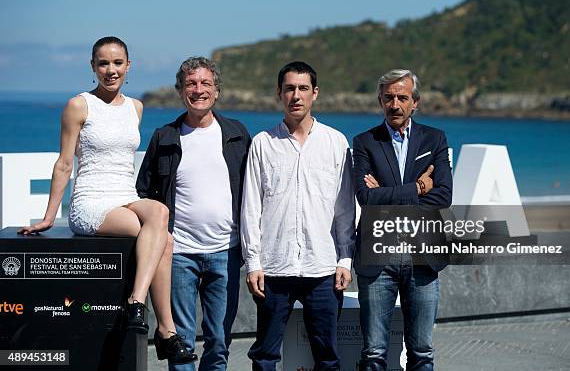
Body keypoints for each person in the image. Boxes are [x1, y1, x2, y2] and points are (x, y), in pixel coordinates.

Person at [19, 36, 197, 365]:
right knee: (165, 240)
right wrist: (49, 216)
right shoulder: (79, 105)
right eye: (103, 63)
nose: (110, 70)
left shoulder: (136, 107)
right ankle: (165, 331)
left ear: (128, 66)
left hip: (125, 196)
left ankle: (137, 303)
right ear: (92, 67)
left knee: (159, 211)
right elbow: (64, 163)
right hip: (91, 202)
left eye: (117, 63)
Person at [136, 56, 251, 371]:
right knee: (181, 340)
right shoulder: (165, 136)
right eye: (191, 83)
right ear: (180, 90)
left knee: (219, 339)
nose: (198, 90)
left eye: (205, 83)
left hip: (226, 252)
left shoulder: (237, 133)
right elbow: (144, 190)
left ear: (216, 91)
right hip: (180, 255)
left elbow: (254, 189)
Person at [241, 61, 356, 370]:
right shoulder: (263, 144)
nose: (296, 95)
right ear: (279, 93)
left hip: (323, 268)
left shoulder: (336, 143)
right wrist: (253, 263)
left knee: (327, 355)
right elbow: (251, 208)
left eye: (303, 88)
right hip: (274, 269)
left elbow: (345, 208)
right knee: (265, 354)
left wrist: (345, 260)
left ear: (314, 94)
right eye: (289, 88)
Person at [352, 69, 452, 370]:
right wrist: (418, 188)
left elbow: (443, 197)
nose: (395, 104)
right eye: (388, 98)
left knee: (421, 352)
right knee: (373, 353)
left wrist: (386, 194)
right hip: (377, 257)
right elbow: (365, 198)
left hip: (424, 257)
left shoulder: (434, 139)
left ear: (415, 102)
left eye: (402, 98)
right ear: (380, 101)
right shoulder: (364, 142)